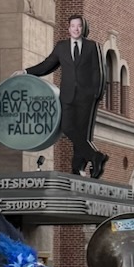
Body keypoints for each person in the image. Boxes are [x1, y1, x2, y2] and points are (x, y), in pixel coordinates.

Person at [24, 14, 107, 178]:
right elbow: (48, 65)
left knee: (83, 133)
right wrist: (27, 72)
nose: (76, 29)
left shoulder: (93, 47)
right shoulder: (61, 47)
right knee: (67, 127)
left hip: (87, 97)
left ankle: (78, 169)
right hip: (67, 96)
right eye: (73, 26)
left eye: (79, 26)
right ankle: (95, 156)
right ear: (68, 29)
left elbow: (100, 72)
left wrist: (97, 94)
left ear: (83, 29)